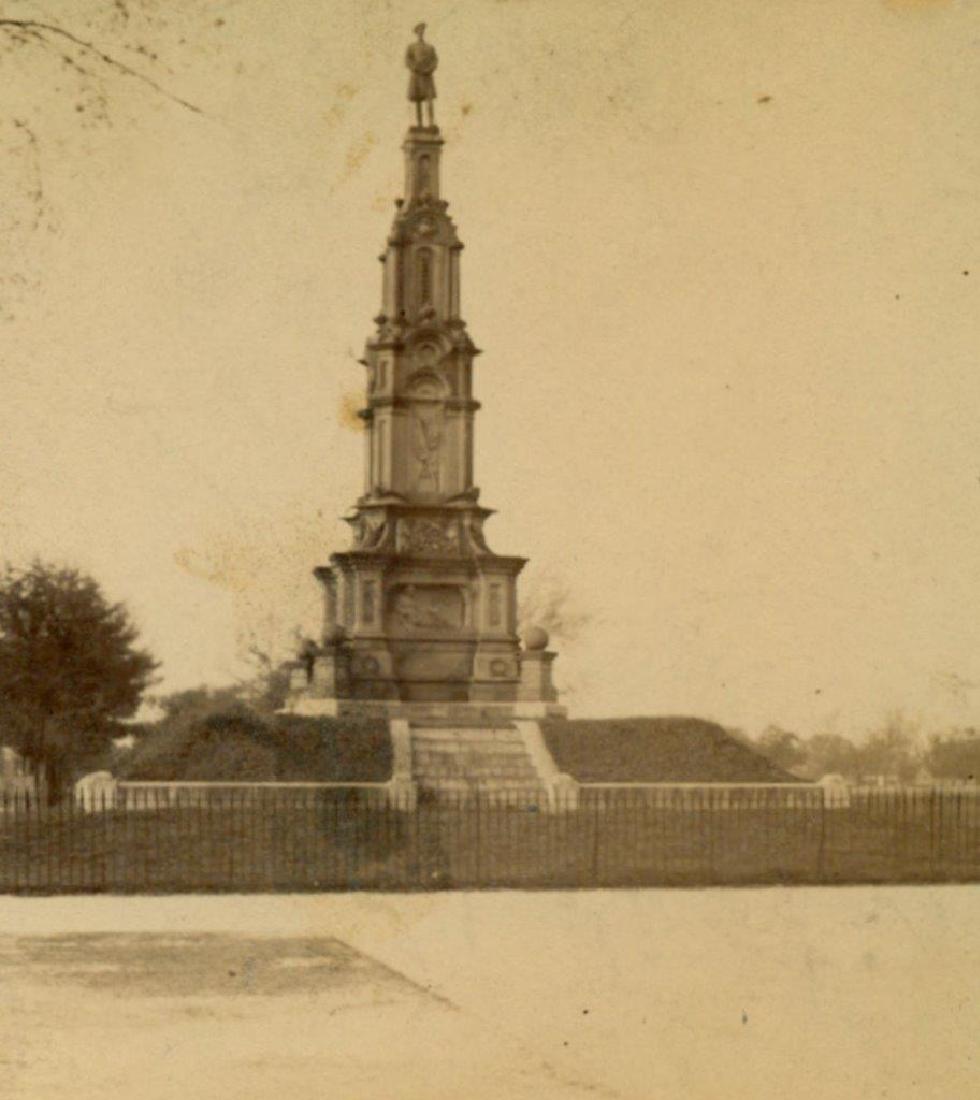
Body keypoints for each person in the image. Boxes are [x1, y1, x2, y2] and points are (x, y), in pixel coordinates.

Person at [406, 23, 438, 127]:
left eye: (422, 31)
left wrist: (429, 69)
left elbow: (435, 60)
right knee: (418, 101)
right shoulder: (411, 47)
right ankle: (419, 124)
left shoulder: (430, 47)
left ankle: (431, 123)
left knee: (429, 100)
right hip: (416, 75)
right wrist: (415, 68)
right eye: (419, 31)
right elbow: (407, 60)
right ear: (416, 33)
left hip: (427, 75)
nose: (421, 33)